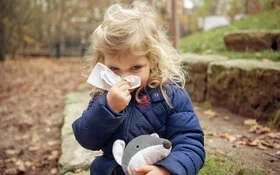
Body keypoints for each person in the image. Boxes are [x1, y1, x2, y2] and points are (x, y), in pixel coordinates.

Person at [72, 1, 205, 175]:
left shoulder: (171, 95)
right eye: (114, 69)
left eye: (135, 68)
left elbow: (191, 144)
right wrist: (108, 108)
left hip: (154, 167)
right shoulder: (103, 97)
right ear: (102, 63)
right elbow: (87, 139)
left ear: (153, 60)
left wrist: (167, 170)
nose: (125, 78)